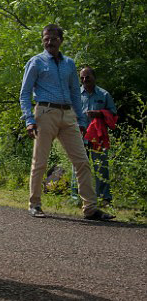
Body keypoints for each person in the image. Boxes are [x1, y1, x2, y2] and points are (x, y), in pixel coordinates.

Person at [19, 24, 114, 221]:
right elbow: (25, 93)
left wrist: (81, 120)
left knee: (82, 161)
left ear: (61, 40)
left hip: (68, 114)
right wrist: (29, 119)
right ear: (42, 40)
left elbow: (75, 94)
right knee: (40, 161)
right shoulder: (36, 62)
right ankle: (35, 204)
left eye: (53, 38)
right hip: (45, 113)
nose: (49, 42)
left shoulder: (69, 64)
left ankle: (90, 209)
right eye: (46, 38)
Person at [71, 66, 117, 206]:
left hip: (98, 136)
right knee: (78, 166)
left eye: (87, 77)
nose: (85, 80)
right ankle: (76, 198)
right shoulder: (76, 94)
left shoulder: (104, 94)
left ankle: (104, 198)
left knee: (101, 166)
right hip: (80, 135)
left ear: (94, 77)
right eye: (82, 78)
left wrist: (99, 114)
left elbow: (113, 113)